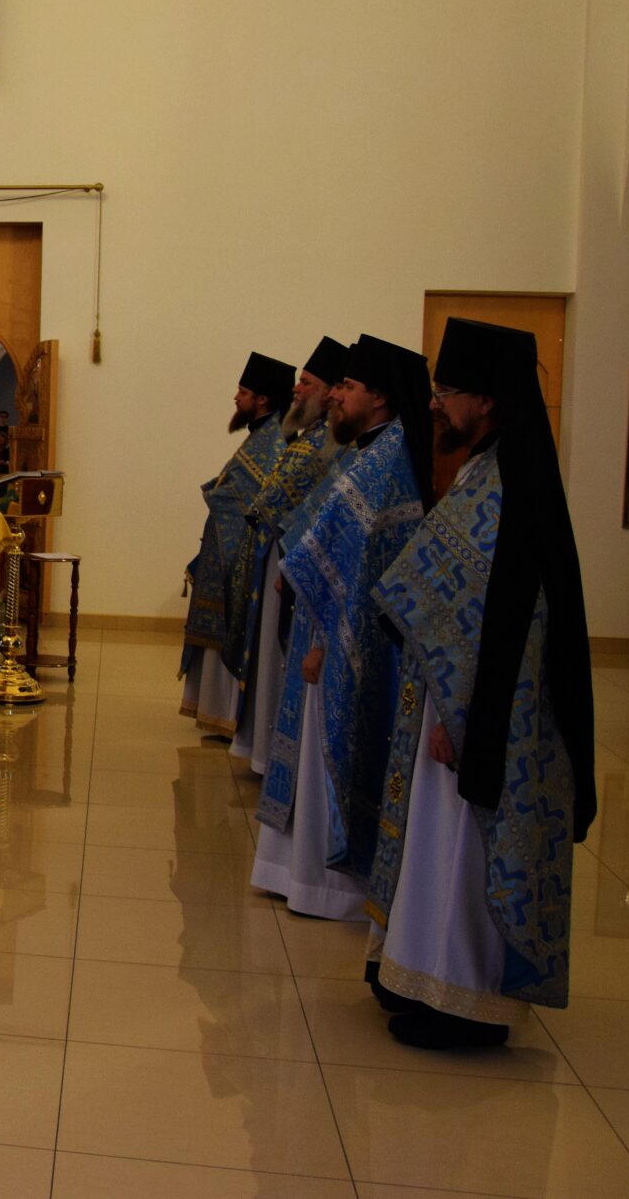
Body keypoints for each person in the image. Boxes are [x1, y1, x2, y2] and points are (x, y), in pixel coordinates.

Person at [365, 318, 595, 1049]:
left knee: (465, 852)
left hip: (482, 715)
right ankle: (427, 979)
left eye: (449, 392)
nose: (436, 404)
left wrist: (463, 720)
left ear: (487, 400)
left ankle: (469, 1005)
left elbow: (509, 631)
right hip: (454, 701)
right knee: (441, 848)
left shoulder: (512, 488)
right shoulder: (486, 468)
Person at [252, 335, 434, 920]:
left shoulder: (388, 462)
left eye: (347, 388)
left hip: (344, 637)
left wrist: (328, 643)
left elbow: (361, 569)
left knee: (331, 753)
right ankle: (298, 874)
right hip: (326, 624)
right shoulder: (368, 452)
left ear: (379, 398)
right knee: (311, 753)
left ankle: (328, 888)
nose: (335, 397)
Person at [229, 336, 347, 769]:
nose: (296, 389)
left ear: (329, 392)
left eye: (307, 382)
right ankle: (261, 749)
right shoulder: (309, 436)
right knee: (265, 658)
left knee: (277, 659)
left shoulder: (329, 443)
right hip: (278, 555)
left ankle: (271, 754)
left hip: (293, 562)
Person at [180, 350, 293, 736]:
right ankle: (214, 709)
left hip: (239, 556)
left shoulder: (272, 441)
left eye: (243, 392)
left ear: (262, 399)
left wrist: (218, 494)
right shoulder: (261, 436)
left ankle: (227, 713)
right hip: (224, 551)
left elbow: (250, 499)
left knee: (231, 626)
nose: (236, 397)